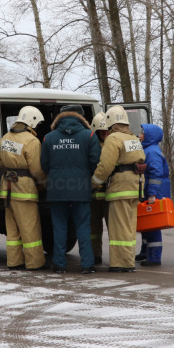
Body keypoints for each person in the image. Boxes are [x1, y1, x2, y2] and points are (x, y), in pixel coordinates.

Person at [41, 104, 101, 274]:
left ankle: (59, 264)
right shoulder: (89, 135)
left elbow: (44, 164)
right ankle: (87, 265)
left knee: (59, 227)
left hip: (57, 188)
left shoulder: (49, 137)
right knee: (83, 227)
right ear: (81, 117)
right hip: (81, 188)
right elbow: (95, 162)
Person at [91, 106, 146, 272]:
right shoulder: (133, 138)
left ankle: (119, 263)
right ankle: (128, 261)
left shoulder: (113, 139)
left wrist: (94, 181)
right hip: (135, 186)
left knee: (119, 227)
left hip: (120, 187)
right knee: (129, 227)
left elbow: (106, 165)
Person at [0, 106, 48, 271]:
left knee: (12, 230)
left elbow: (0, 162)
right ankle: (35, 263)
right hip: (24, 189)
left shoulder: (5, 138)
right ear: (32, 121)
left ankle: (14, 262)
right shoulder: (32, 141)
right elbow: (36, 169)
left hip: (7, 188)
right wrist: (44, 184)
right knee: (30, 229)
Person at [136, 123, 171, 267]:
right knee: (146, 225)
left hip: (154, 193)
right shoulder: (149, 150)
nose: (140, 135)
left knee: (153, 226)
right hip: (151, 192)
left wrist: (152, 194)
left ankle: (155, 257)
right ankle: (145, 251)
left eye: (142, 133)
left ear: (149, 136)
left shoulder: (151, 152)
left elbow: (156, 174)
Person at [89, 112, 110, 264]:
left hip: (110, 194)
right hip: (93, 194)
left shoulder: (113, 144)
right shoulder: (92, 145)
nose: (105, 134)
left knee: (114, 229)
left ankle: (117, 257)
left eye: (107, 130)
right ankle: (95, 255)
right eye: (101, 131)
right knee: (93, 230)